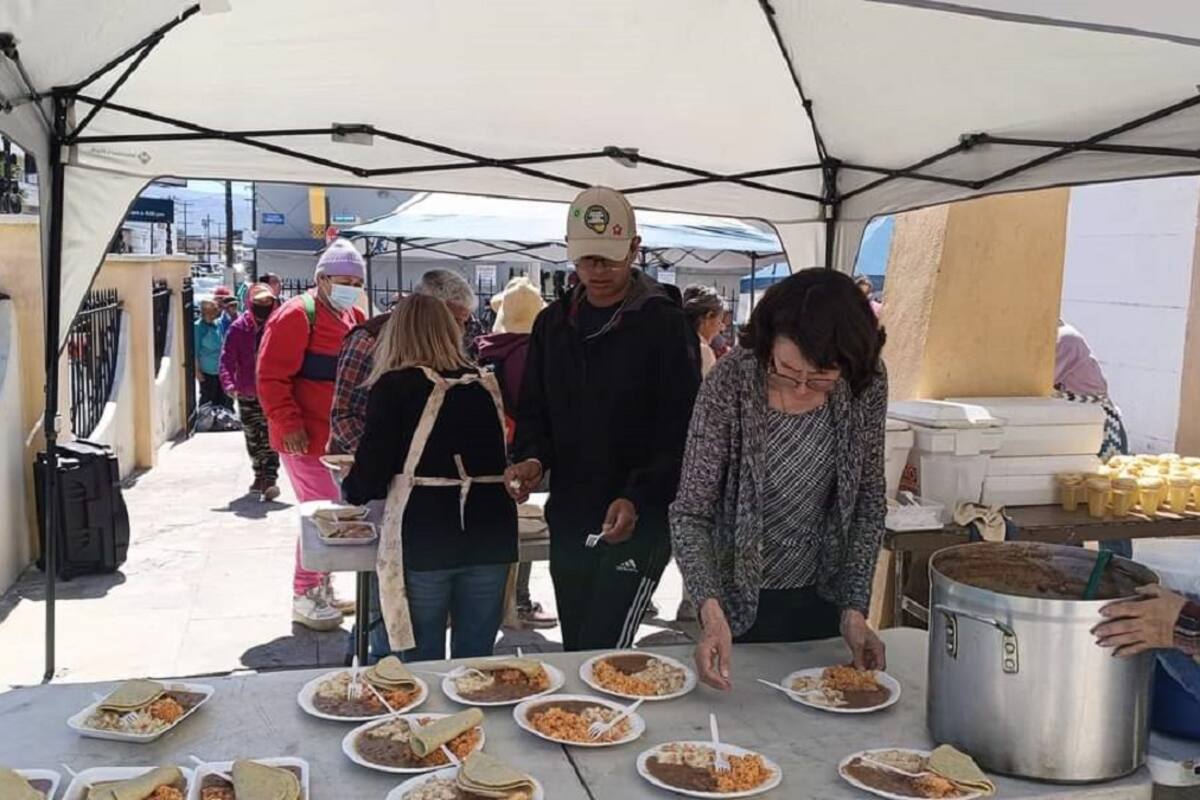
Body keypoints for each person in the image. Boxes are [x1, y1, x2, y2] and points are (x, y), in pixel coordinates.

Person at [671, 269, 889, 691]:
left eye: (822, 377)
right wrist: (710, 612)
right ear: (769, 343)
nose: (802, 388)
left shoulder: (867, 381)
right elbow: (689, 514)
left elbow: (868, 498)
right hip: (733, 601)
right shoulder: (731, 380)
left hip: (825, 592)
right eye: (786, 371)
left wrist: (854, 607)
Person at [505, 186, 701, 652]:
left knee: (605, 648)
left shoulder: (665, 325)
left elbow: (682, 429)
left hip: (642, 517)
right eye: (587, 259)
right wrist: (531, 457)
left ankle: (607, 723)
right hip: (572, 512)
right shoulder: (552, 324)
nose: (598, 272)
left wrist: (638, 496)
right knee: (576, 647)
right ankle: (576, 725)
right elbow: (535, 409)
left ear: (635, 248)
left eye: (610, 260)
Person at [343, 294, 518, 662]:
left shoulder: (394, 387)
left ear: (397, 334)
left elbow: (369, 479)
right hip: (492, 534)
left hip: (426, 536)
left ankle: (430, 722)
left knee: (422, 663)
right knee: (477, 661)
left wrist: (351, 483)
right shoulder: (486, 384)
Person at [258, 238, 367, 631]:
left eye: (356, 282)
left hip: (336, 440)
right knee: (318, 514)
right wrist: (287, 425)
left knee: (331, 513)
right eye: (343, 280)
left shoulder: (351, 315)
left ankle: (322, 583)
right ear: (321, 279)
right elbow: (270, 375)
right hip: (304, 438)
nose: (350, 287)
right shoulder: (295, 314)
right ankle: (305, 594)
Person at [476, 278, 557, 630]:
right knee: (527, 527)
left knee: (500, 528)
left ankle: (497, 601)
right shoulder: (530, 353)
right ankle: (519, 602)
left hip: (492, 450)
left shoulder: (486, 349)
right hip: (527, 453)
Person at [219, 283, 282, 501]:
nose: (264, 305)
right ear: (250, 302)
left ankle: (270, 477)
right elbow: (227, 359)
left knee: (271, 436)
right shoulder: (238, 328)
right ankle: (259, 473)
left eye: (268, 301)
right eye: (259, 302)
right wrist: (229, 384)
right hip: (247, 393)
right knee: (253, 436)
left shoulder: (279, 326)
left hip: (272, 392)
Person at [413, 269, 482, 359]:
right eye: (454, 320)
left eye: (465, 322)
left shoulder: (473, 328)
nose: (462, 330)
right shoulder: (401, 339)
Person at [194, 297, 231, 409]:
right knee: (207, 398)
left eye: (213, 312)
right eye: (208, 313)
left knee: (221, 398)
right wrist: (197, 371)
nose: (211, 315)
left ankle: (219, 421)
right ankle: (206, 421)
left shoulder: (217, 324)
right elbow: (195, 351)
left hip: (220, 369)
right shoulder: (198, 327)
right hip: (207, 371)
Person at [682, 285, 725, 378]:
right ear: (709, 316)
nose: (722, 327)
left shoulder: (673, 341)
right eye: (719, 320)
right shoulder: (703, 352)